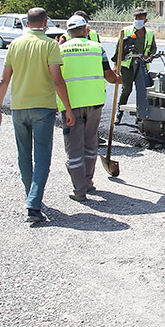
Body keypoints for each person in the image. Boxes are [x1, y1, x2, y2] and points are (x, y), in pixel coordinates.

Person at [0, 7, 74, 223]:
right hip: (43, 109)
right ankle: (34, 205)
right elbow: (57, 80)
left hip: (18, 108)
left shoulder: (15, 44)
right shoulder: (49, 45)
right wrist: (67, 108)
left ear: (26, 23)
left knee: (23, 155)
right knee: (43, 158)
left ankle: (31, 195)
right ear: (46, 22)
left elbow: (3, 80)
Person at [57, 15, 120, 202]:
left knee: (74, 148)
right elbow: (109, 76)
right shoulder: (97, 48)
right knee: (90, 143)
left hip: (71, 105)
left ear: (68, 33)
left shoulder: (60, 50)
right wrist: (118, 78)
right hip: (94, 103)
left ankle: (79, 190)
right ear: (86, 30)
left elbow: (55, 79)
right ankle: (89, 182)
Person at [115, 7, 157, 124]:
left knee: (142, 91)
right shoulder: (126, 31)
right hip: (128, 66)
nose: (138, 20)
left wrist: (149, 56)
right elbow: (118, 49)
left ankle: (140, 116)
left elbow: (153, 48)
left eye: (140, 18)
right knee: (126, 89)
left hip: (141, 66)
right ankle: (119, 112)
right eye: (136, 18)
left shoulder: (149, 33)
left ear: (145, 21)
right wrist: (115, 65)